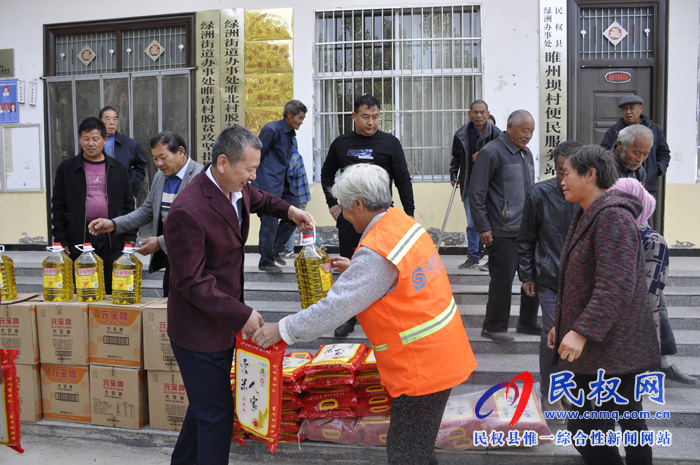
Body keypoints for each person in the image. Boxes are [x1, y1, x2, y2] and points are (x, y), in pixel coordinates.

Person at [252, 163, 476, 465]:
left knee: (406, 454)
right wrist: (357, 270)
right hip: (439, 354)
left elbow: (335, 308)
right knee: (416, 451)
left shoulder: (376, 250)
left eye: (344, 208)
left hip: (421, 368)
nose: (343, 215)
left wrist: (282, 329)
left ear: (359, 204)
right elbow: (392, 278)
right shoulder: (402, 223)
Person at [164, 125, 314, 465]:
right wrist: (241, 314)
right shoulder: (189, 209)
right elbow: (191, 281)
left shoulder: (236, 188)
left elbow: (260, 198)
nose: (254, 176)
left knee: (205, 408)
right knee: (217, 416)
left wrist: (291, 211)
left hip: (220, 321)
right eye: (249, 169)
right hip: (198, 332)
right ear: (222, 163)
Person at [548, 145, 659, 465]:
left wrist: (580, 332)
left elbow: (616, 285)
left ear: (591, 174)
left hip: (615, 348)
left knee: (602, 427)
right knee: (601, 427)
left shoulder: (612, 217)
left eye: (566, 174)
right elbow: (584, 282)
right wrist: (564, 323)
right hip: (603, 346)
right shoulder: (591, 212)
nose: (562, 182)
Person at [321, 94, 415, 337]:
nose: (371, 122)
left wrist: (409, 214)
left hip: (382, 218)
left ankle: (384, 313)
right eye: (365, 117)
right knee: (348, 265)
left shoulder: (390, 143)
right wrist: (333, 203)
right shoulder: (341, 144)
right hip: (350, 217)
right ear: (354, 117)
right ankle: (347, 317)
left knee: (383, 264)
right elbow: (326, 174)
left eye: (375, 117)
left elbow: (403, 179)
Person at [87, 131, 204, 297]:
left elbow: (197, 224)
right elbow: (146, 211)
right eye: (155, 158)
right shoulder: (160, 177)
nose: (158, 163)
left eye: (163, 157)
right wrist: (113, 224)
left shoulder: (200, 177)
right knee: (170, 306)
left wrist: (160, 242)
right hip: (173, 260)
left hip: (197, 261)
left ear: (180, 152)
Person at [608, 178, 699, 385]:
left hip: (633, 321)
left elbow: (650, 292)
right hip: (613, 321)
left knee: (628, 396)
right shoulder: (615, 232)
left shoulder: (652, 240)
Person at [516, 140, 582, 408]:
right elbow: (525, 239)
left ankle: (569, 387)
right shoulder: (539, 194)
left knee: (575, 336)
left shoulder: (592, 196)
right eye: (558, 171)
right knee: (553, 334)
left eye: (569, 172)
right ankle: (549, 389)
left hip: (582, 283)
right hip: (549, 278)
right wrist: (527, 274)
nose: (563, 178)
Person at [468, 109, 540, 343]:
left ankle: (527, 322)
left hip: (526, 228)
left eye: (531, 131)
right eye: (524, 130)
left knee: (533, 274)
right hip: (501, 229)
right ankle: (493, 326)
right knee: (502, 280)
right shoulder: (491, 152)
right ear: (509, 127)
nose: (528, 135)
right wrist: (483, 227)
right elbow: (476, 193)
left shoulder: (526, 153)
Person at [51, 117, 135, 294]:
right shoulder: (66, 169)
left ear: (104, 140)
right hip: (80, 235)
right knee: (84, 287)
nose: (90, 144)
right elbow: (58, 206)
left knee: (114, 285)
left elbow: (129, 204)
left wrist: (130, 235)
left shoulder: (118, 168)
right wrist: (60, 239)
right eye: (86, 139)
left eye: (95, 139)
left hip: (112, 235)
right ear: (80, 140)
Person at [253, 100, 308, 273]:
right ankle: (266, 261)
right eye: (299, 117)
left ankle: (275, 249)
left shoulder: (290, 133)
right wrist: (254, 181)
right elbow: (257, 155)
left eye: (303, 118)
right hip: (268, 183)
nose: (301, 121)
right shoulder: (272, 129)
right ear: (289, 114)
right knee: (269, 221)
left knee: (296, 214)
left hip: (283, 183)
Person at [450, 100, 502, 270]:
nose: (479, 116)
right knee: (472, 223)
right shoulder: (461, 134)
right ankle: (473, 256)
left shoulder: (497, 134)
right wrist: (453, 174)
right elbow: (455, 158)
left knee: (492, 222)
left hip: (491, 185)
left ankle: (492, 258)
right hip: (469, 183)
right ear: (469, 113)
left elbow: (504, 157)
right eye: (475, 112)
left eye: (482, 112)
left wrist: (485, 154)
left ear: (487, 114)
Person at [600, 95, 670, 196]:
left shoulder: (654, 129)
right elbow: (604, 154)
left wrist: (656, 169)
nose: (628, 112)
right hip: (622, 184)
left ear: (640, 108)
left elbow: (664, 153)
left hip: (648, 184)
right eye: (624, 109)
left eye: (631, 107)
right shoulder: (614, 131)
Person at [99, 106, 148, 198]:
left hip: (123, 193)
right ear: (100, 121)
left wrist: (131, 182)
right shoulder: (93, 143)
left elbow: (141, 166)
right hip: (98, 192)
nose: (112, 123)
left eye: (115, 119)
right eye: (107, 119)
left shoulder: (130, 144)